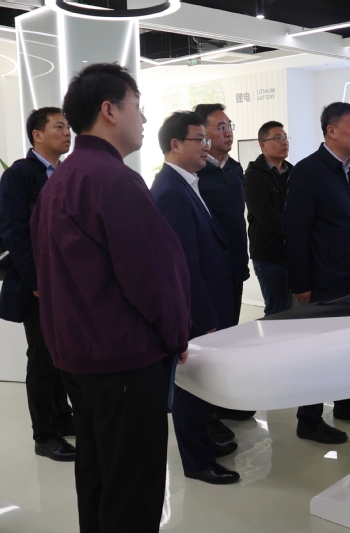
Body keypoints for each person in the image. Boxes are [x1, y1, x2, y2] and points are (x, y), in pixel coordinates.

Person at [30, 63, 192, 533]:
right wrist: (177, 334)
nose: (143, 118)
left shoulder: (60, 180)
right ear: (109, 110)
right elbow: (153, 277)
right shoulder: (113, 180)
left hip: (79, 358)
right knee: (133, 489)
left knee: (98, 476)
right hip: (123, 360)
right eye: (137, 106)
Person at [151, 111, 241, 485]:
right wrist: (204, 317)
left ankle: (204, 441)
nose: (206, 146)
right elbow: (184, 264)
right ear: (175, 145)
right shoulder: (170, 191)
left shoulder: (186, 183)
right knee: (191, 385)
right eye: (198, 139)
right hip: (197, 311)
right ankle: (197, 461)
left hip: (211, 301)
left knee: (202, 382)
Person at [283, 102, 350, 444]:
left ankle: (346, 403)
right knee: (318, 352)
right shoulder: (309, 172)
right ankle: (309, 419)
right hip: (324, 281)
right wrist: (301, 283)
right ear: (331, 131)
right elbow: (295, 232)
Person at [0, 107, 75, 462]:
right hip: (40, 286)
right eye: (59, 126)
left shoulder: (65, 172)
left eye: (68, 127)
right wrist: (37, 282)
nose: (67, 132)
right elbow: (13, 231)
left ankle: (62, 417)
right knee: (42, 360)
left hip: (65, 283)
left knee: (61, 356)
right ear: (37, 135)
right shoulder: (20, 174)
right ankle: (44, 435)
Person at [192, 103, 253, 428]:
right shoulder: (197, 173)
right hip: (210, 273)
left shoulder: (235, 168)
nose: (228, 132)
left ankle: (223, 402)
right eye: (220, 127)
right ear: (202, 134)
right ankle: (205, 413)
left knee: (229, 337)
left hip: (235, 267)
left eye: (229, 126)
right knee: (208, 341)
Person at [245, 121, 293, 317]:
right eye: (278, 138)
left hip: (292, 253)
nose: (284, 142)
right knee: (277, 311)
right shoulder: (253, 176)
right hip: (269, 255)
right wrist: (298, 230)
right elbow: (267, 217)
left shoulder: (293, 172)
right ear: (262, 145)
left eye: (285, 138)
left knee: (296, 309)